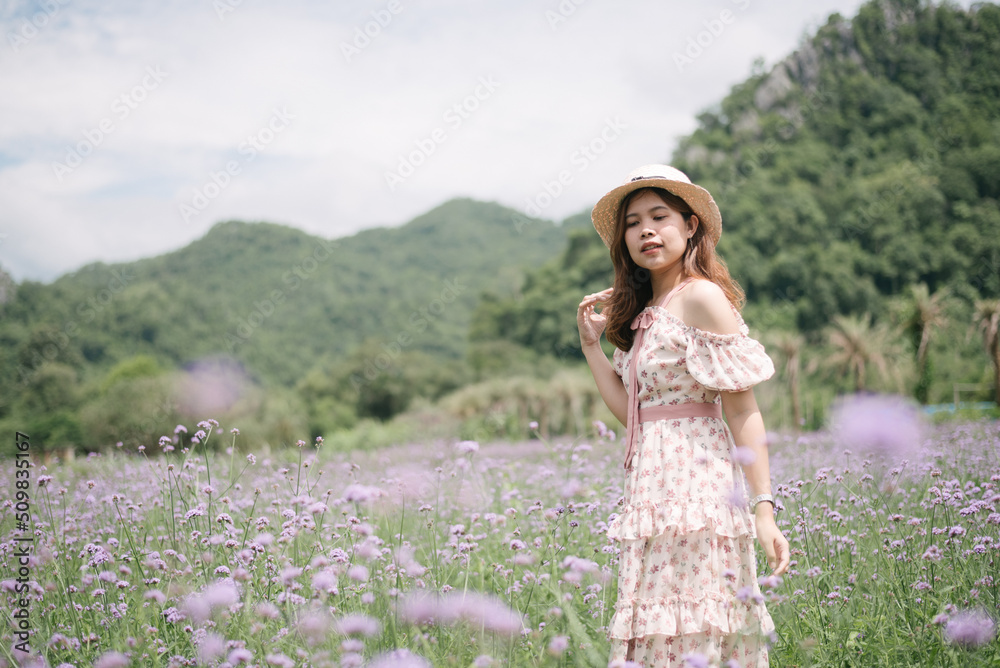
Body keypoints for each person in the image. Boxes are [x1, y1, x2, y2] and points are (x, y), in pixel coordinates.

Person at [577, 165, 790, 667]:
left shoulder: (701, 296)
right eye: (633, 223)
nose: (646, 231)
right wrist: (591, 347)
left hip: (699, 486)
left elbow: (742, 409)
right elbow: (635, 414)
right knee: (660, 628)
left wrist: (763, 507)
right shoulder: (644, 311)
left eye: (659, 217)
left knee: (701, 619)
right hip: (651, 489)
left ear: (690, 225)